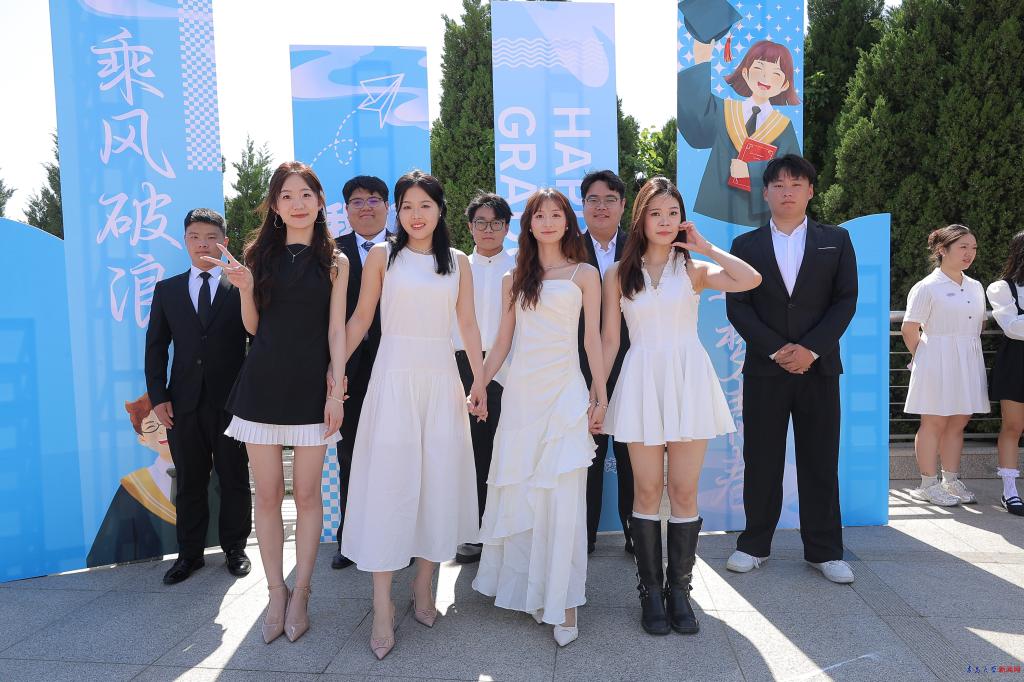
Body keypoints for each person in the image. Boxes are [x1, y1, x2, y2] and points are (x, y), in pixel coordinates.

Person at [602, 177, 761, 636]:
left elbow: (750, 279)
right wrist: (598, 391)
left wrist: (705, 246)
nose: (665, 221)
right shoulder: (618, 273)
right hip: (640, 380)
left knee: (685, 492)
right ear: (641, 219)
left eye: (673, 213)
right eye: (656, 213)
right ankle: (650, 594)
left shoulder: (693, 269)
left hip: (688, 379)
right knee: (647, 491)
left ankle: (679, 593)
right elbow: (610, 340)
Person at [341, 170, 486, 660]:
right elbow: (362, 318)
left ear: (440, 210)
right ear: (397, 212)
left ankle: (425, 584)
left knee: (436, 484)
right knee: (390, 486)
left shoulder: (458, 262)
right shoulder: (383, 256)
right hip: (393, 380)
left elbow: (468, 324)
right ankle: (381, 603)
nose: (416, 214)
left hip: (441, 381)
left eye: (425, 205)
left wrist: (479, 380)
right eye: (407, 206)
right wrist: (333, 372)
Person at [209, 162, 348, 644]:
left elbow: (337, 331)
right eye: (286, 195)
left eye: (306, 194)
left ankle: (302, 592)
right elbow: (253, 328)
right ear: (274, 205)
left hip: (311, 390)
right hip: (262, 387)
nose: (297, 203)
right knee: (267, 495)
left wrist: (336, 391)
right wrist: (246, 288)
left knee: (308, 496)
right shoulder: (257, 256)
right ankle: (275, 593)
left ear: (320, 201)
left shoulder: (335, 260)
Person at [473, 188, 607, 648]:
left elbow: (592, 340)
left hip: (565, 391)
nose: (548, 222)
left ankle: (564, 599)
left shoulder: (585, 274)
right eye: (539, 215)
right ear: (528, 224)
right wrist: (479, 382)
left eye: (556, 214)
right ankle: (532, 589)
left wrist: (600, 393)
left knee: (564, 494)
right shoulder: (514, 278)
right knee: (524, 492)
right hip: (522, 397)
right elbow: (502, 341)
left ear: (568, 222)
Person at [724, 154, 858, 584]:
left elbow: (845, 301)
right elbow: (738, 307)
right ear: (765, 192)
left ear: (810, 191)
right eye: (778, 185)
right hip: (766, 370)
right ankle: (754, 545)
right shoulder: (745, 246)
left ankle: (825, 551)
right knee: (762, 458)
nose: (787, 192)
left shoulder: (836, 240)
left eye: (796, 184)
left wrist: (811, 350)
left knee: (820, 459)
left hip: (819, 369)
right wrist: (778, 349)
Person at [143, 207, 252, 584]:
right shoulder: (168, 290)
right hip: (182, 404)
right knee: (189, 480)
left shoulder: (240, 287)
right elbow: (156, 347)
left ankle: (235, 549)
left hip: (232, 403)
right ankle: (188, 555)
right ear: (185, 241)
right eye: (194, 237)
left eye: (210, 237)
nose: (202, 244)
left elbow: (257, 339)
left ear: (224, 242)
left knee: (234, 476)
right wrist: (158, 396)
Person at [902, 225, 988, 506]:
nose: (969, 253)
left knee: (959, 420)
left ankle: (950, 480)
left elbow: (979, 324)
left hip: (968, 358)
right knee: (934, 421)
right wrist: (924, 358)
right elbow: (909, 328)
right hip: (935, 357)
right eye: (963, 247)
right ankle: (928, 485)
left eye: (973, 248)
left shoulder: (975, 286)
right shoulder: (927, 286)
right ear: (942, 250)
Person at [677, 37, 801, 227]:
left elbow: (793, 172)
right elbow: (697, 123)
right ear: (745, 72)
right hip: (714, 210)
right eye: (758, 69)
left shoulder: (783, 126)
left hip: (758, 219)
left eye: (776, 74)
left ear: (784, 85)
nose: (765, 78)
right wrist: (702, 60)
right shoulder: (724, 110)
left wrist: (750, 171)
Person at [331, 175, 391, 570]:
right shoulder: (330, 251)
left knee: (398, 452)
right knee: (350, 453)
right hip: (348, 368)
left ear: (387, 206)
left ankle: (397, 536)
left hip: (398, 364)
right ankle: (350, 541)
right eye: (357, 201)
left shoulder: (409, 248)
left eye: (373, 199)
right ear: (346, 209)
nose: (365, 207)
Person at [453, 192, 516, 564]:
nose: (488, 229)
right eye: (481, 222)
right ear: (470, 227)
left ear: (507, 227)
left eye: (495, 223)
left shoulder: (523, 266)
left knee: (507, 449)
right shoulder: (456, 267)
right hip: (465, 364)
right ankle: (474, 533)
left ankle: (506, 532)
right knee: (473, 451)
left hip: (512, 367)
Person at [579, 169, 634, 555]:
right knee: (587, 453)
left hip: (631, 363)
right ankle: (583, 537)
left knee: (632, 453)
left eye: (610, 200)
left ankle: (635, 535)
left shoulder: (639, 249)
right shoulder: (565, 247)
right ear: (583, 206)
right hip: (579, 367)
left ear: (623, 206)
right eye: (593, 200)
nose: (601, 207)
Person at [986, 231, 1024, 516]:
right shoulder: (1001, 288)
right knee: (1013, 426)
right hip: (1017, 360)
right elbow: (1012, 327)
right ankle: (1010, 493)